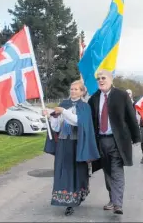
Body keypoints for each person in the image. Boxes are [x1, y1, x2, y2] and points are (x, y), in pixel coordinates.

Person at [43, 80, 100, 216]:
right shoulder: (64, 104)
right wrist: (51, 117)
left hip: (77, 144)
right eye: (72, 89)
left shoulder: (84, 107)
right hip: (63, 143)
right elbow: (57, 127)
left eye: (76, 89)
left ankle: (75, 197)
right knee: (63, 170)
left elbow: (77, 121)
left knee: (76, 171)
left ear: (82, 92)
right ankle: (66, 199)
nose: (73, 91)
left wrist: (63, 112)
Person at [87, 69, 140, 215]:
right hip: (101, 142)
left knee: (117, 171)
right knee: (107, 172)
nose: (101, 80)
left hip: (117, 141)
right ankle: (113, 199)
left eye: (103, 78)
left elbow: (131, 117)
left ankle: (118, 203)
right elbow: (90, 121)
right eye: (98, 79)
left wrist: (136, 137)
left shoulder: (122, 95)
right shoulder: (94, 98)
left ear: (111, 79)